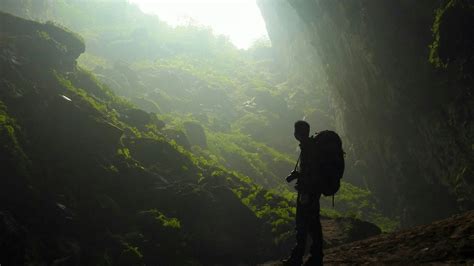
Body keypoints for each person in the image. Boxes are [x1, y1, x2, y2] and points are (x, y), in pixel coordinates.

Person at [283, 120, 323, 266]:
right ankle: (314, 256)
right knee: (312, 224)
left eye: (295, 131)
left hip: (307, 192)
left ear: (298, 133)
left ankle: (300, 258)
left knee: (303, 225)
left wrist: (298, 177)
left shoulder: (308, 148)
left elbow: (309, 173)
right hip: (312, 191)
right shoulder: (310, 146)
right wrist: (298, 175)